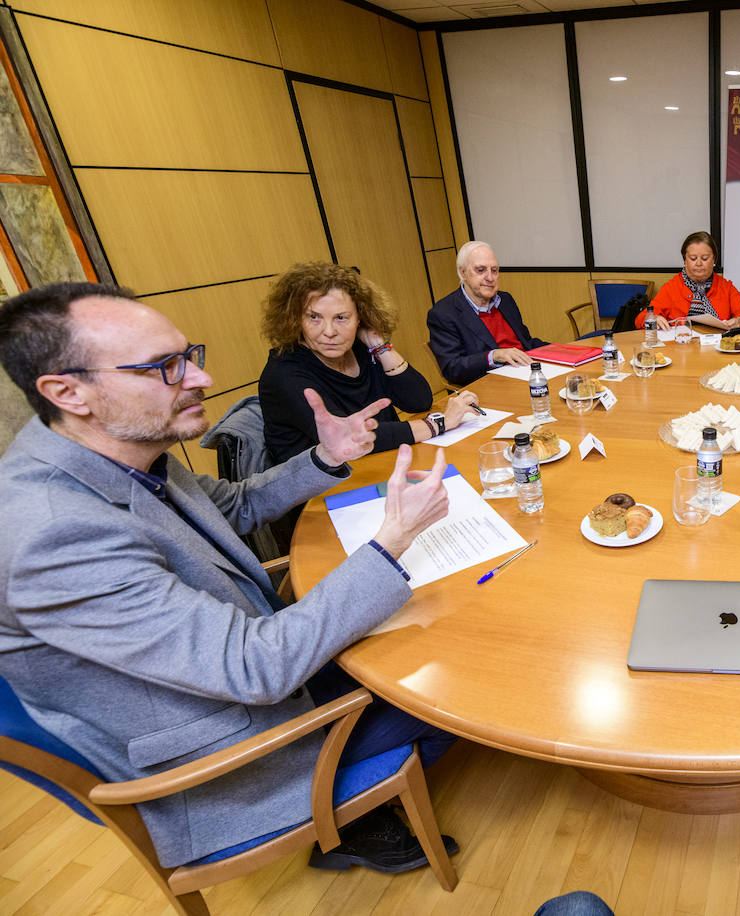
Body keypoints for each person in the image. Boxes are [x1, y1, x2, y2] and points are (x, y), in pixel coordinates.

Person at [0, 282, 463, 872]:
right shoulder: (51, 536)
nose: (201, 378)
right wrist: (393, 540)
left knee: (428, 627)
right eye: (166, 367)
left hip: (240, 664)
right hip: (224, 758)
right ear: (68, 391)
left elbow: (239, 504)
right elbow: (256, 668)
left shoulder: (120, 452)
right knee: (450, 685)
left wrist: (326, 457)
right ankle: (346, 826)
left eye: (187, 355)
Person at [258, 262, 480, 466]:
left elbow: (418, 401)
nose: (329, 332)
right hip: (323, 492)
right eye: (314, 317)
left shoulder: (362, 349)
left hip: (380, 464)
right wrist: (438, 424)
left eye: (341, 318)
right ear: (296, 319)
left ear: (360, 318)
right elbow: (349, 438)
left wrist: (378, 344)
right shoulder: (283, 373)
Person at [427, 240, 550, 386]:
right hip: (491, 384)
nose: (490, 278)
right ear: (462, 272)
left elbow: (526, 342)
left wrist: (560, 351)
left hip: (527, 372)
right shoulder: (444, 313)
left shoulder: (505, 300)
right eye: (480, 270)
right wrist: (494, 355)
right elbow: (453, 368)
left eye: (494, 270)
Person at [638, 231, 740, 332]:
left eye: (705, 258)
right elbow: (641, 318)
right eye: (693, 258)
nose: (699, 263)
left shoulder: (725, 286)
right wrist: (653, 319)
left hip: (717, 349)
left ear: (714, 260)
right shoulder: (672, 287)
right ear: (685, 260)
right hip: (680, 350)